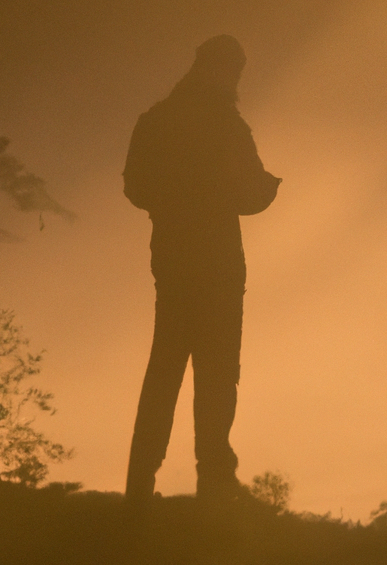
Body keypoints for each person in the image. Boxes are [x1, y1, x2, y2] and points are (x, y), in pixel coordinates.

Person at [122, 35, 281, 505]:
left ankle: (139, 488)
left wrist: (171, 207)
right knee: (217, 373)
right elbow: (251, 192)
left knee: (165, 370)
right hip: (218, 264)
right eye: (233, 71)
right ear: (222, 71)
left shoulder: (157, 120)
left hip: (172, 260)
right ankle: (215, 481)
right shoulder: (229, 127)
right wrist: (260, 191)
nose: (234, 81)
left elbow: (136, 185)